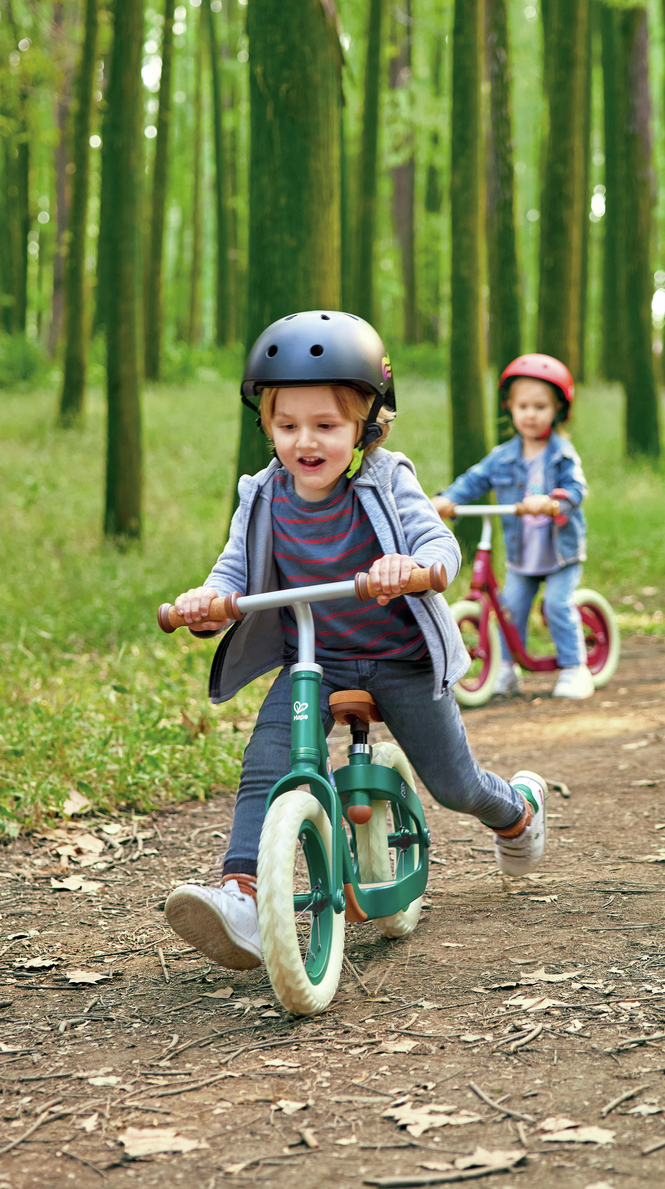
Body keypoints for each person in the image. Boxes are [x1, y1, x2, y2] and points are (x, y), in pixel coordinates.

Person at [163, 312, 547, 971]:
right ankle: (244, 898)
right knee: (266, 763)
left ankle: (515, 811)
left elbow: (437, 545)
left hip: (399, 659)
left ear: (368, 425)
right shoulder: (262, 496)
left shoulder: (387, 478)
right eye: (287, 426)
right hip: (313, 658)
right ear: (266, 425)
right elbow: (232, 571)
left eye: (326, 426)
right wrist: (205, 602)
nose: (304, 442)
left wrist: (411, 568)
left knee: (453, 784)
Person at [433, 354, 591, 700]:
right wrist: (447, 499)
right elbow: (476, 479)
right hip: (524, 556)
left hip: (559, 553)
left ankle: (576, 668)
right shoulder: (503, 456)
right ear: (510, 408)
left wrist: (553, 501)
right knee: (510, 609)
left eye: (540, 406)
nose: (530, 414)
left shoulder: (562, 453)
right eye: (523, 406)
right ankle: (505, 670)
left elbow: (577, 489)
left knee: (557, 606)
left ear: (558, 410)